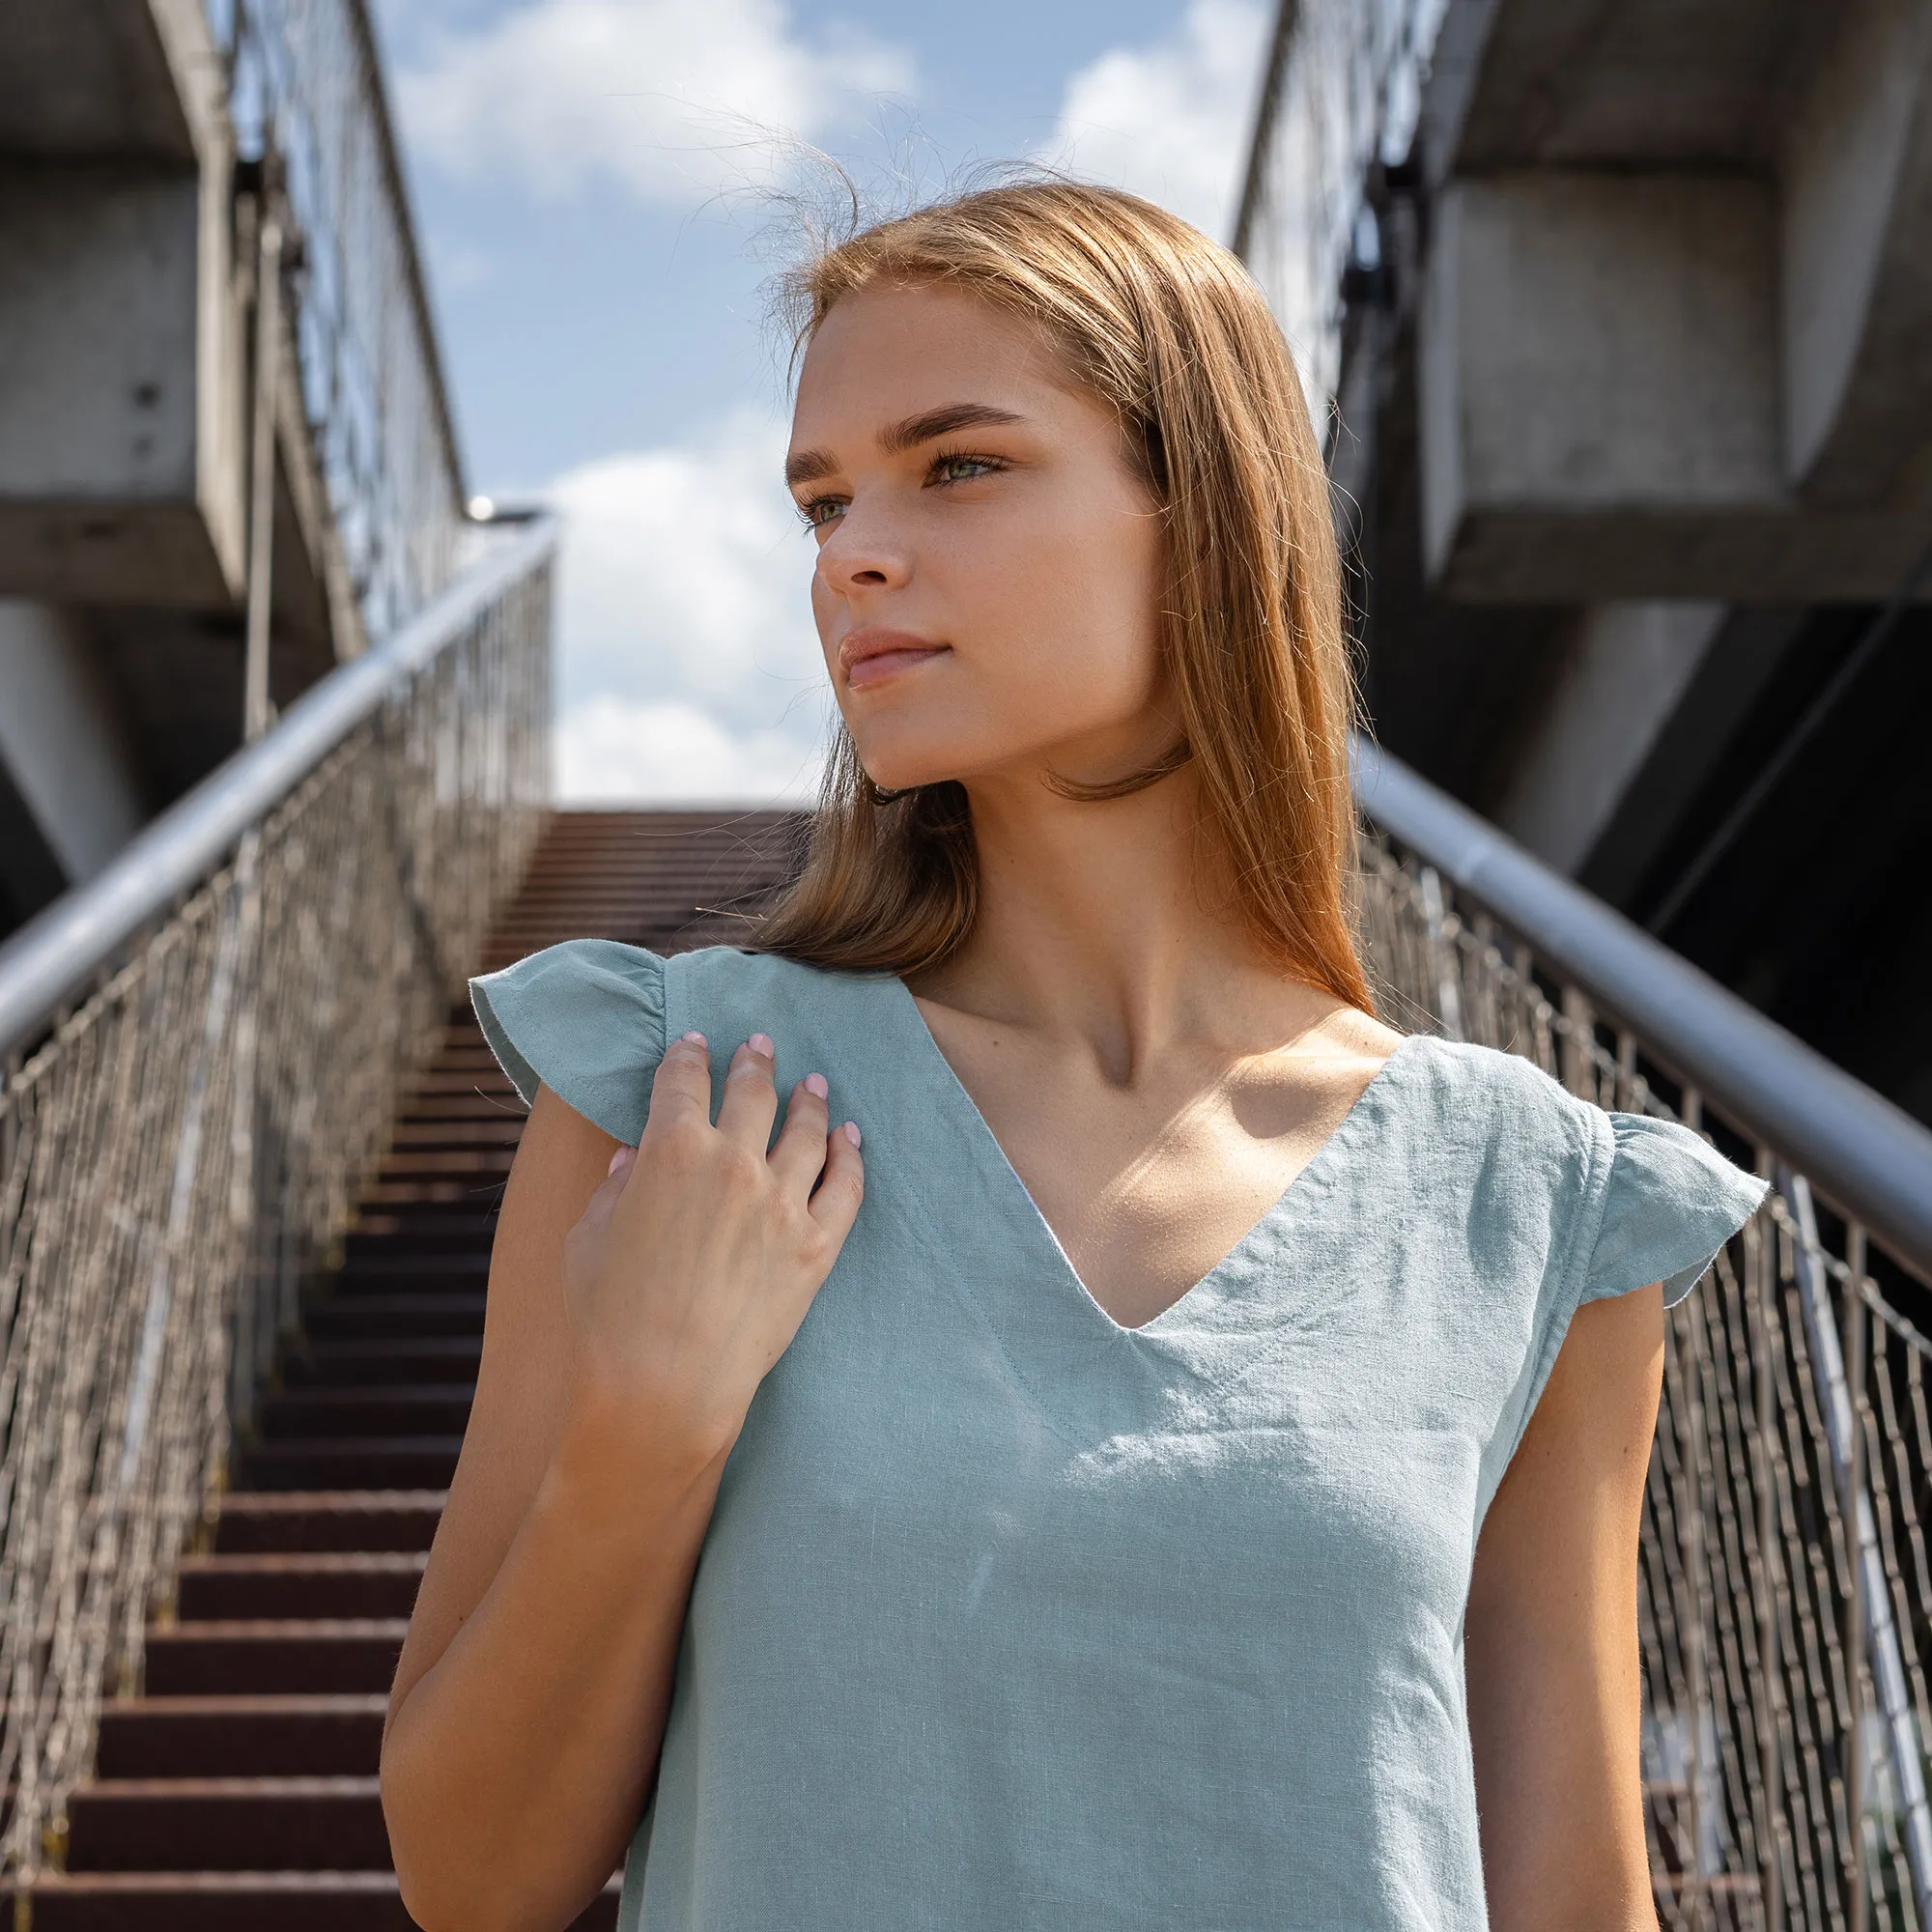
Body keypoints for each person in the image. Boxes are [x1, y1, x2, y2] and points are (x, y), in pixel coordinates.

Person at [379, 181, 1766, 1932]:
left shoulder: (1535, 1203)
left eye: (955, 465)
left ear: (1201, 515)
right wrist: (647, 1426)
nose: (852, 556)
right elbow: (469, 1877)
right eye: (821, 501)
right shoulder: (684, 1093)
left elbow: (1573, 1893)